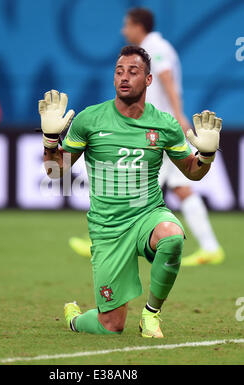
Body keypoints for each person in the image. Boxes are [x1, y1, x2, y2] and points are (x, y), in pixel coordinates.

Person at [40, 46, 222, 337]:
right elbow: (54, 171)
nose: (124, 77)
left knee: (172, 236)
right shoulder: (90, 120)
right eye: (119, 71)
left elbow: (192, 171)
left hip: (147, 216)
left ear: (148, 80)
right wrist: (50, 140)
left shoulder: (164, 124)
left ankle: (151, 315)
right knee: (111, 326)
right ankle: (75, 319)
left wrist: (206, 156)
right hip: (108, 228)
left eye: (133, 72)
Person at [121, 7, 224, 266]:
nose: (123, 30)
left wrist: (179, 114)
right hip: (161, 127)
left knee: (133, 181)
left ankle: (111, 242)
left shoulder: (154, 46)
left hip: (161, 129)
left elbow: (166, 77)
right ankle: (211, 247)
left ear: (137, 26)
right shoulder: (155, 46)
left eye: (127, 25)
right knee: (179, 187)